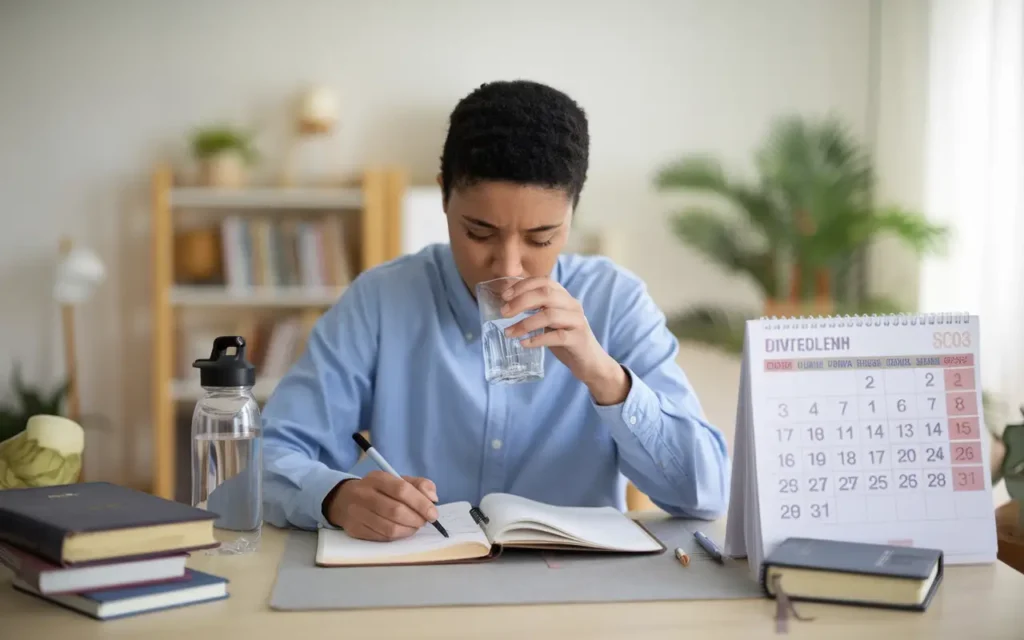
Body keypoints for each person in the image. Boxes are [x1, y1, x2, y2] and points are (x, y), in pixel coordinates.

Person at [261, 79, 730, 541]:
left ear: (572, 213)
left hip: (576, 596)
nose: (507, 266)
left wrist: (605, 377)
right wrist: (335, 496)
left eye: (540, 238)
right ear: (445, 196)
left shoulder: (616, 302)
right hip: (416, 587)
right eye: (480, 233)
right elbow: (268, 456)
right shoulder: (381, 300)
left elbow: (705, 494)